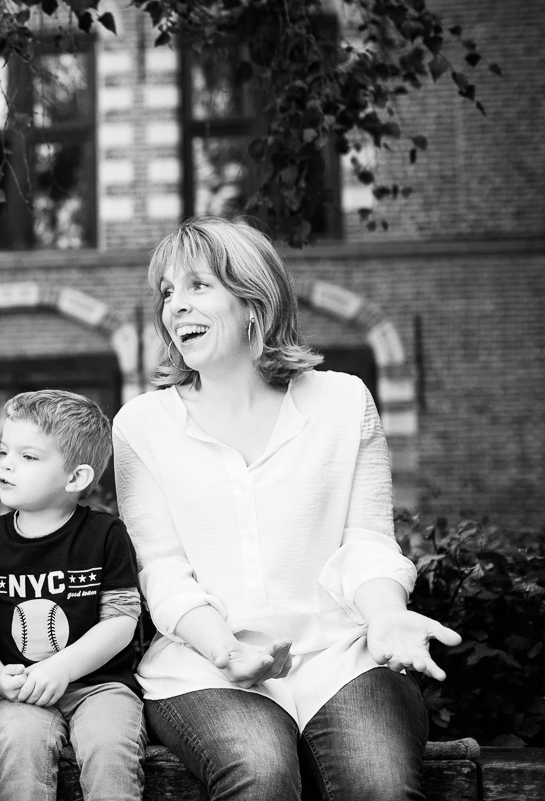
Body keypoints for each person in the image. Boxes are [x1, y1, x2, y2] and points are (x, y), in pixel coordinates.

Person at [112, 216, 462, 801]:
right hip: (204, 666)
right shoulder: (143, 425)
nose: (175, 307)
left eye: (199, 286)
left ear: (255, 299)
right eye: (167, 292)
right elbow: (164, 572)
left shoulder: (343, 401)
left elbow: (367, 541)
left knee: (379, 785)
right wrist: (224, 650)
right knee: (259, 772)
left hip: (342, 656)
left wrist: (384, 615)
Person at [0, 390, 146, 801]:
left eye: (28, 457)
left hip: (99, 686)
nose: (6, 466)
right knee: (19, 746)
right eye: (3, 452)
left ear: (76, 478)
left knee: (109, 750)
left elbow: (121, 621)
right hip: (20, 689)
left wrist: (62, 668)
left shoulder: (105, 534)